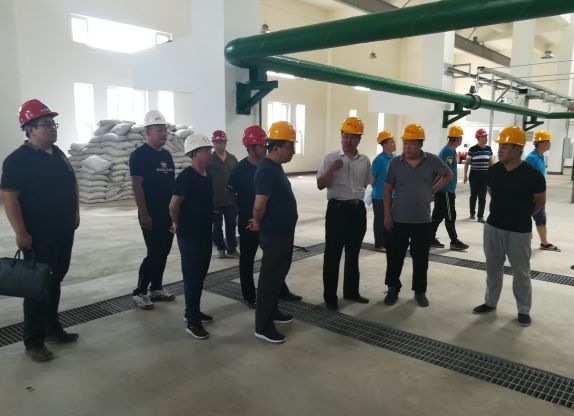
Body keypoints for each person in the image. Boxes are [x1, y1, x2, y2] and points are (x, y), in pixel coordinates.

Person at [0, 99, 79, 362]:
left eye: (53, 123)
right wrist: (21, 232)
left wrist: (75, 213)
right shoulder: (17, 160)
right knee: (37, 286)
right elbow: (9, 197)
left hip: (64, 229)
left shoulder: (59, 154)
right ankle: (33, 341)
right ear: (29, 129)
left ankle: (52, 328)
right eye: (46, 124)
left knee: (55, 280)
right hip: (38, 233)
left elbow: (72, 183)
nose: (52, 128)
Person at [472, 126, 546, 327]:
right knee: (493, 269)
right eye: (500, 145)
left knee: (521, 273)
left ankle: (523, 310)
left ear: (518, 148)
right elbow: (491, 191)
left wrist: (523, 215)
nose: (500, 149)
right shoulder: (494, 170)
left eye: (505, 146)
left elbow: (540, 201)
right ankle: (490, 302)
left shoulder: (532, 175)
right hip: (493, 227)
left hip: (519, 231)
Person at [227, 125, 301, 309]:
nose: (265, 147)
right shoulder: (240, 169)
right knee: (248, 258)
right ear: (250, 148)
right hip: (250, 221)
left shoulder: (271, 166)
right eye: (261, 145)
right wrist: (243, 208)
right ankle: (249, 295)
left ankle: (280, 290)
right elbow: (229, 194)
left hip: (268, 222)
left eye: (264, 144)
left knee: (273, 260)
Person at [383, 124, 452, 307]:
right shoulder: (394, 163)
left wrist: (433, 190)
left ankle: (420, 291)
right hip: (398, 219)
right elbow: (387, 189)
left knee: (421, 258)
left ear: (420, 144)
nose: (407, 147)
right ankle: (392, 288)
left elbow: (448, 174)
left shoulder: (432, 160)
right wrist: (387, 214)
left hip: (422, 220)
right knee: (395, 256)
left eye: (411, 143)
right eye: (405, 143)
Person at [249, 121, 298, 344]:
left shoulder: (275, 167)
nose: (293, 151)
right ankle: (263, 326)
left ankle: (273, 311)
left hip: (283, 232)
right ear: (276, 147)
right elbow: (259, 205)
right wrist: (257, 221)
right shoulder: (266, 170)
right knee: (269, 280)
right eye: (290, 146)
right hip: (274, 234)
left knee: (278, 276)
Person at [317, 116, 372, 311]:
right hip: (337, 210)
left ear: (359, 139)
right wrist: (333, 169)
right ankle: (330, 297)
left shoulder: (365, 160)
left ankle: (351, 291)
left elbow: (364, 183)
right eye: (345, 136)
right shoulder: (330, 158)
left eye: (353, 137)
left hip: (357, 210)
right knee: (332, 254)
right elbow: (320, 184)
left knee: (353, 253)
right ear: (341, 136)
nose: (348, 140)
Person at [129, 110, 176, 310]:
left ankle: (156, 288)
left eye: (165, 130)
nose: (163, 134)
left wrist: (175, 213)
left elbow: (172, 185)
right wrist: (144, 214)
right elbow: (137, 186)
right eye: (159, 130)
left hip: (168, 213)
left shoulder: (166, 155)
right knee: (154, 252)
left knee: (164, 251)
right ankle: (140, 292)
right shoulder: (139, 155)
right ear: (148, 132)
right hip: (151, 213)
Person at [170, 134, 215, 339]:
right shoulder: (186, 177)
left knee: (200, 275)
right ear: (196, 153)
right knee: (192, 277)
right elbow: (174, 206)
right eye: (207, 150)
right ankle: (192, 322)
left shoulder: (207, 175)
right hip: (189, 236)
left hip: (204, 233)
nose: (210, 153)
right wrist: (179, 224)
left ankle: (192, 310)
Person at [430, 125, 469, 251]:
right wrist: (436, 188)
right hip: (446, 189)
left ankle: (430, 237)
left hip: (444, 189)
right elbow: (445, 173)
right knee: (450, 215)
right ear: (458, 138)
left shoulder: (446, 150)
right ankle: (454, 241)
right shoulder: (449, 151)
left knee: (438, 215)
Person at [524, 130, 560, 252]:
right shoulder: (531, 158)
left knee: (541, 218)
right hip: (531, 195)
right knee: (527, 218)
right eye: (548, 141)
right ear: (540, 143)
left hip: (539, 194)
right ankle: (524, 241)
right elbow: (525, 177)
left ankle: (544, 243)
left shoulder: (541, 156)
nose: (550, 144)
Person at [208, 130, 239, 259]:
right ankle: (221, 248)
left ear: (225, 143)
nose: (218, 145)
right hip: (215, 200)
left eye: (221, 142)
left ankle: (232, 249)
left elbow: (237, 178)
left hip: (230, 199)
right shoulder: (209, 159)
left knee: (231, 225)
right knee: (217, 227)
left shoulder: (232, 159)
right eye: (216, 142)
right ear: (213, 143)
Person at [371, 131, 396, 253]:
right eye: (391, 142)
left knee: (390, 219)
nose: (394, 144)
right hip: (379, 197)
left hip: (392, 196)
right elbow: (372, 180)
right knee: (380, 220)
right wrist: (379, 189)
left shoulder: (395, 158)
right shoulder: (379, 160)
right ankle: (378, 244)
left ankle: (387, 242)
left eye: (394, 142)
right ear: (384, 144)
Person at [463, 128, 493, 223]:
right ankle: (472, 213)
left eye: (486, 137)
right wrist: (465, 175)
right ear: (478, 138)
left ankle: (480, 216)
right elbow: (467, 163)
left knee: (482, 197)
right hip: (474, 176)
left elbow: (490, 163)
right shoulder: (472, 149)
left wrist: (492, 175)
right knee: (473, 196)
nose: (485, 139)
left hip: (485, 177)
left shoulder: (489, 149)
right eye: (483, 137)